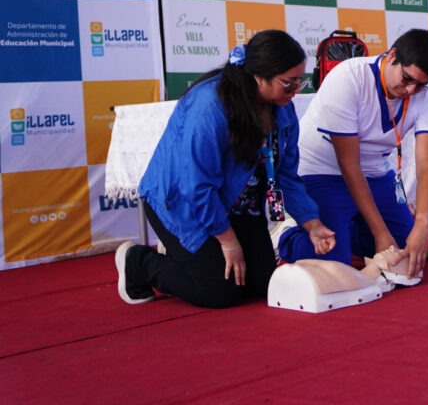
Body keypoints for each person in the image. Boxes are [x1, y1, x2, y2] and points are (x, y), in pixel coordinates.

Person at [116, 30, 336, 308]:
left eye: (299, 81)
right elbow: (195, 186)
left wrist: (312, 223)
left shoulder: (284, 110)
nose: (296, 90)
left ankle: (186, 255)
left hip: (238, 208)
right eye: (288, 83)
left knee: (263, 284)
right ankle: (138, 262)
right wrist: (228, 241)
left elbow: (286, 176)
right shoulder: (210, 106)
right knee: (219, 291)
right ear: (259, 76)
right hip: (183, 204)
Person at [279, 29, 428, 280]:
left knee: (405, 248)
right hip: (322, 172)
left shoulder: (427, 98)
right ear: (392, 55)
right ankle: (287, 235)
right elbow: (349, 165)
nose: (411, 90)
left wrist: (422, 222)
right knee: (332, 261)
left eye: (421, 85)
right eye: (407, 79)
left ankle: (346, 228)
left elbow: (426, 163)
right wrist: (380, 232)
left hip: (376, 174)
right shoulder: (348, 77)